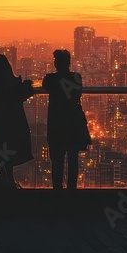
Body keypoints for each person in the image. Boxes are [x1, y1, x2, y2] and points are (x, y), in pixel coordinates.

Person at [43, 49, 90, 190]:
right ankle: (71, 191)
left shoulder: (51, 79)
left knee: (57, 161)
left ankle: (58, 191)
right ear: (69, 63)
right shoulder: (76, 77)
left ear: (56, 63)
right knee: (73, 160)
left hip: (56, 125)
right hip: (73, 124)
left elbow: (45, 85)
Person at [0, 54, 34, 187]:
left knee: (0, 148)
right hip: (13, 120)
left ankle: (5, 181)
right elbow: (22, 96)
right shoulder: (14, 82)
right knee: (10, 147)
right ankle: (10, 181)